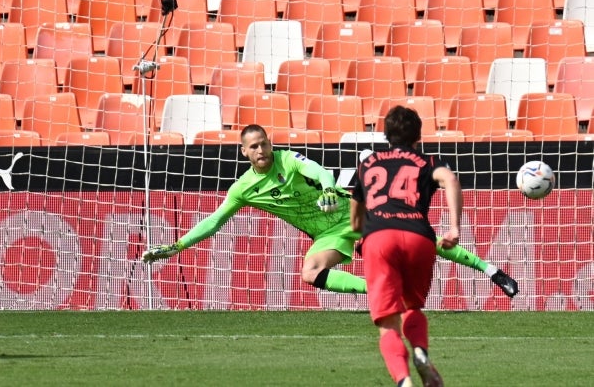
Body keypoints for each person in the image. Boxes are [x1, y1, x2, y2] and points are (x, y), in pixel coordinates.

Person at [142, 124, 518, 300]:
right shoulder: (243, 189)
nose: (260, 151)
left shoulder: (288, 160)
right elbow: (215, 220)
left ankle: (491, 270)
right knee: (310, 272)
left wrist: (325, 189)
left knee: (423, 239)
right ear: (244, 153)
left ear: (270, 144)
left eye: (264, 144)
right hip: (329, 234)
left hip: (354, 213)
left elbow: (319, 172)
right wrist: (177, 247)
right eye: (252, 147)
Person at [351, 106, 457, 387]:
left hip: (379, 239)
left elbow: (355, 213)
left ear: (386, 134)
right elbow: (450, 179)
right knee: (412, 308)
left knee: (388, 324)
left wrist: (359, 233)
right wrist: (455, 227)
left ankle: (404, 381)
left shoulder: (368, 163)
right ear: (418, 137)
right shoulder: (426, 160)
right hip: (419, 238)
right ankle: (420, 351)